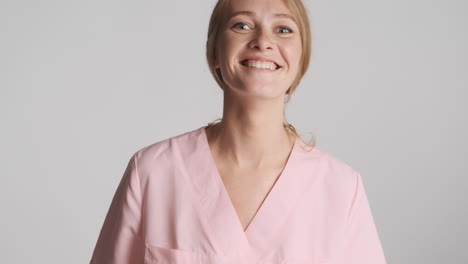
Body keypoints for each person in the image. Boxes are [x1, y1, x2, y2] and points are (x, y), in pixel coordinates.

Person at [89, 0, 387, 263]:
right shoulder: (153, 172)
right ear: (215, 51)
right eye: (242, 25)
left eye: (283, 29)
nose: (263, 41)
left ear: (301, 58)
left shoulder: (341, 188)